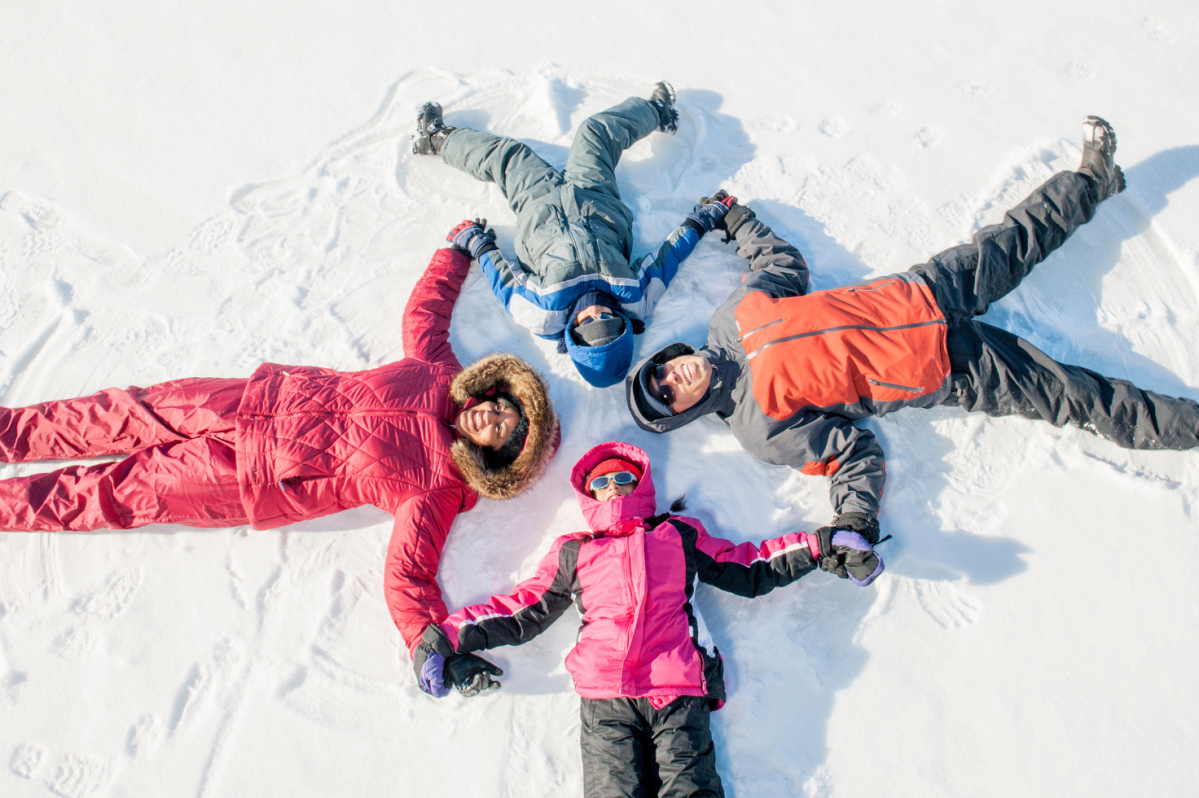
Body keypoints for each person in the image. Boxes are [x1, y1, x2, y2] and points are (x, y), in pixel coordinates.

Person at [625, 117, 1199, 545]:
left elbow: (782, 268)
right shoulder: (760, 428)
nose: (674, 378)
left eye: (662, 372)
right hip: (945, 364)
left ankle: (1094, 179)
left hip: (924, 290)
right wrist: (854, 520)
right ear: (686, 411)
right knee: (1071, 394)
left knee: (1016, 237)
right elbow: (852, 454)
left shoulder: (732, 318)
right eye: (669, 395)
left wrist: (738, 220)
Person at [0, 240, 560, 663]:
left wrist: (424, 642)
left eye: (502, 431)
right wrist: (453, 254)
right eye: (503, 407)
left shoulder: (439, 487)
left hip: (246, 476)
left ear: (496, 456)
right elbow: (425, 315)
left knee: (111, 493)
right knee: (117, 411)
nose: (493, 418)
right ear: (494, 390)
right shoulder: (438, 370)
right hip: (248, 401)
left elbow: (408, 572)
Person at [412, 441, 883, 798]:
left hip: (676, 689)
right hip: (605, 698)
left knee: (691, 789)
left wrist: (822, 546)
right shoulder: (575, 552)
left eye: (623, 480)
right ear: (588, 494)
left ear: (642, 485)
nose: (613, 488)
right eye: (602, 483)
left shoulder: (677, 536)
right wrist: (443, 637)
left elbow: (750, 566)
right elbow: (521, 612)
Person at [411, 83, 737, 387]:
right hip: (596, 199)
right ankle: (657, 111)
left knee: (508, 156)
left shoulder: (543, 312)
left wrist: (480, 244)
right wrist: (700, 221)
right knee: (594, 132)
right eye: (609, 321)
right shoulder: (634, 298)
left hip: (539, 209)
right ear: (623, 325)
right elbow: (669, 258)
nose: (596, 312)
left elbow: (506, 283)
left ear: (573, 333)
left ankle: (436, 139)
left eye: (589, 324)